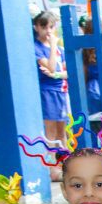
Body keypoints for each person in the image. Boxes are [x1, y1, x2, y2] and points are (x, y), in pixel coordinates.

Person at [33, 10, 69, 181]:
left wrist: (57, 74)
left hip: (61, 91)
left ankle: (65, 166)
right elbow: (52, 67)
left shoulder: (61, 49)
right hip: (47, 92)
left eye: (51, 27)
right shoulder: (37, 47)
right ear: (37, 27)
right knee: (51, 133)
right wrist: (53, 46)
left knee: (62, 132)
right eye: (44, 27)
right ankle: (53, 169)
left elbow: (66, 72)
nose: (48, 31)